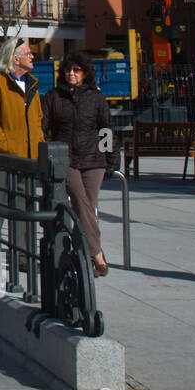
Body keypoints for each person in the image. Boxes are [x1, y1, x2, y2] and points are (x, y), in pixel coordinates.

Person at [42, 53, 113, 278]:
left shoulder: (96, 98)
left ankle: (79, 256)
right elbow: (44, 127)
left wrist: (111, 159)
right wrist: (49, 149)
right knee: (81, 202)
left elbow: (106, 129)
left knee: (87, 206)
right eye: (68, 70)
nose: (71, 74)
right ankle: (97, 255)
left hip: (94, 160)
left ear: (85, 73)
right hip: (67, 158)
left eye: (77, 70)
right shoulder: (53, 97)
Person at [0, 37, 43, 159]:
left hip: (32, 161)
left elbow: (38, 119)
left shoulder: (33, 86)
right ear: (16, 59)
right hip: (6, 163)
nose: (32, 57)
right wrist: (6, 147)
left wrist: (39, 143)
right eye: (28, 54)